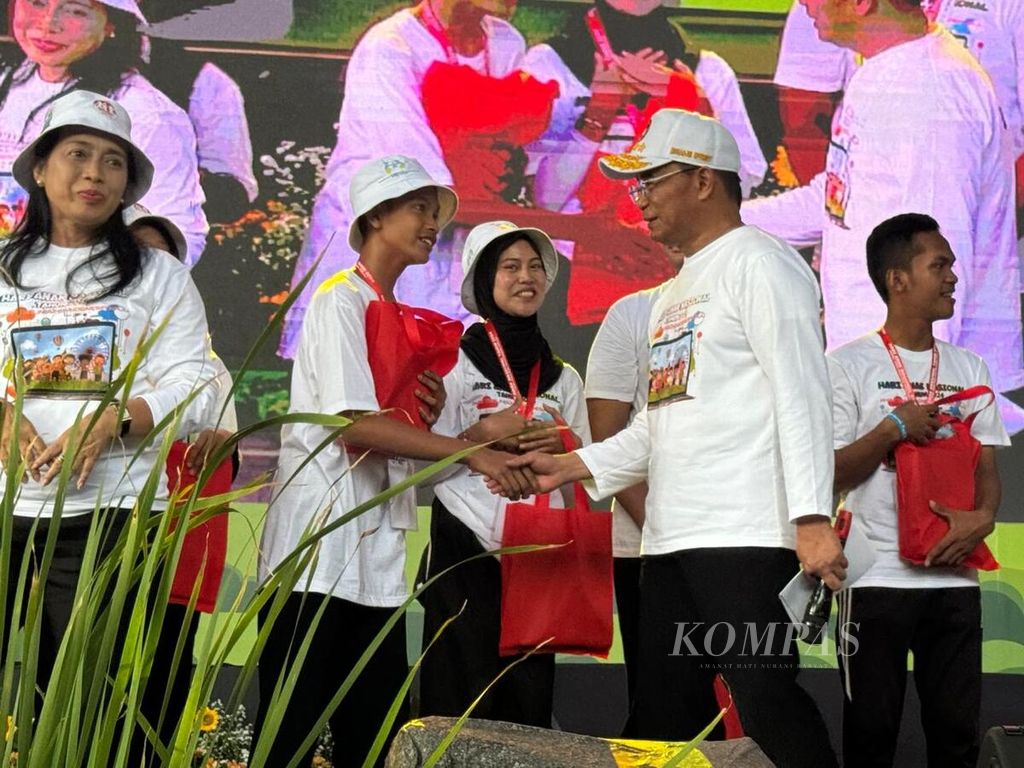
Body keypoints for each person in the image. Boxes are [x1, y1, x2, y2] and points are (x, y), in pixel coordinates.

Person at [494, 109, 842, 767]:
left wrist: (813, 518)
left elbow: (804, 395)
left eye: (651, 180)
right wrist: (568, 467)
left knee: (767, 705)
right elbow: (659, 424)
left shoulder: (762, 264)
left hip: (742, 535)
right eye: (636, 184)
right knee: (662, 717)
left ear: (705, 181)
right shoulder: (672, 293)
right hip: (671, 541)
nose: (640, 199)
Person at [255, 155, 536, 768]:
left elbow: (399, 442)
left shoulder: (401, 319)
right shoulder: (339, 302)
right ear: (376, 217)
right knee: (290, 732)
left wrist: (448, 427)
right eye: (418, 208)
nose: (432, 223)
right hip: (317, 550)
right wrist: (476, 450)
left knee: (374, 731)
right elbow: (355, 427)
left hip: (374, 556)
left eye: (435, 213)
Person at [0, 89, 216, 722]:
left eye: (113, 161)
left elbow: (199, 381)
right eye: (77, 154)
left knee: (72, 703)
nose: (94, 172)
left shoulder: (159, 274)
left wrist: (118, 419)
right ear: (41, 168)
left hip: (110, 512)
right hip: (5, 503)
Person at [743, 0, 1023, 432]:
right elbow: (839, 198)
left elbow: (934, 266)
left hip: (926, 412)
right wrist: (725, 222)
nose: (802, 2)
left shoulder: (928, 93)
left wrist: (903, 423)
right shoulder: (892, 70)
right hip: (886, 394)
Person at [828, 213, 1008, 767]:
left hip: (955, 580)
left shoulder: (969, 366)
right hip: (873, 578)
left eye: (951, 264)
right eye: (940, 265)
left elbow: (987, 470)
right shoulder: (846, 366)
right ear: (897, 279)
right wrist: (893, 428)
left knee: (956, 740)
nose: (953, 276)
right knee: (870, 737)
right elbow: (830, 472)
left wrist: (983, 518)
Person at [418, 220, 590, 726]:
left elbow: (585, 463)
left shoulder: (566, 376)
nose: (526, 277)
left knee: (529, 702)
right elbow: (421, 468)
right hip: (462, 550)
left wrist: (561, 447)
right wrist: (481, 436)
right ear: (483, 280)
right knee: (457, 703)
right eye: (510, 267)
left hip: (539, 552)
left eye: (535, 266)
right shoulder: (449, 365)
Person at [0, 0, 208, 263]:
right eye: (37, 3)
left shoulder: (144, 113)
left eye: (75, 10)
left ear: (112, 23)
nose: (48, 24)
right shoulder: (8, 79)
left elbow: (178, 234)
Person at [583, 245, 682, 735]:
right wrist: (662, 528)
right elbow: (609, 440)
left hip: (738, 543)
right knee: (659, 707)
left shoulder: (750, 306)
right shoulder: (633, 313)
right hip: (647, 548)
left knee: (744, 701)